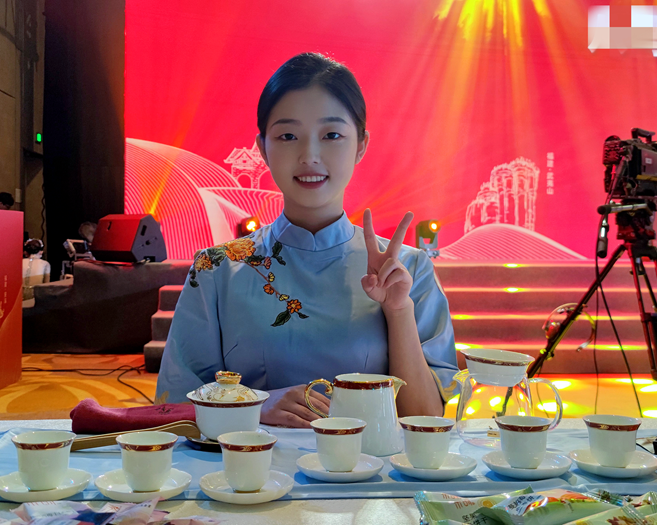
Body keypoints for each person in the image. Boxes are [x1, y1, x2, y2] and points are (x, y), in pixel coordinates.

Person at [156, 53, 458, 427]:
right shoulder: (217, 269)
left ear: (361, 145)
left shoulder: (408, 270)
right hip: (248, 464)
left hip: (370, 467)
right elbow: (173, 407)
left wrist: (398, 311)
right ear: (263, 147)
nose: (309, 155)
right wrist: (253, 406)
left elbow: (426, 419)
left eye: (331, 135)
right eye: (288, 136)